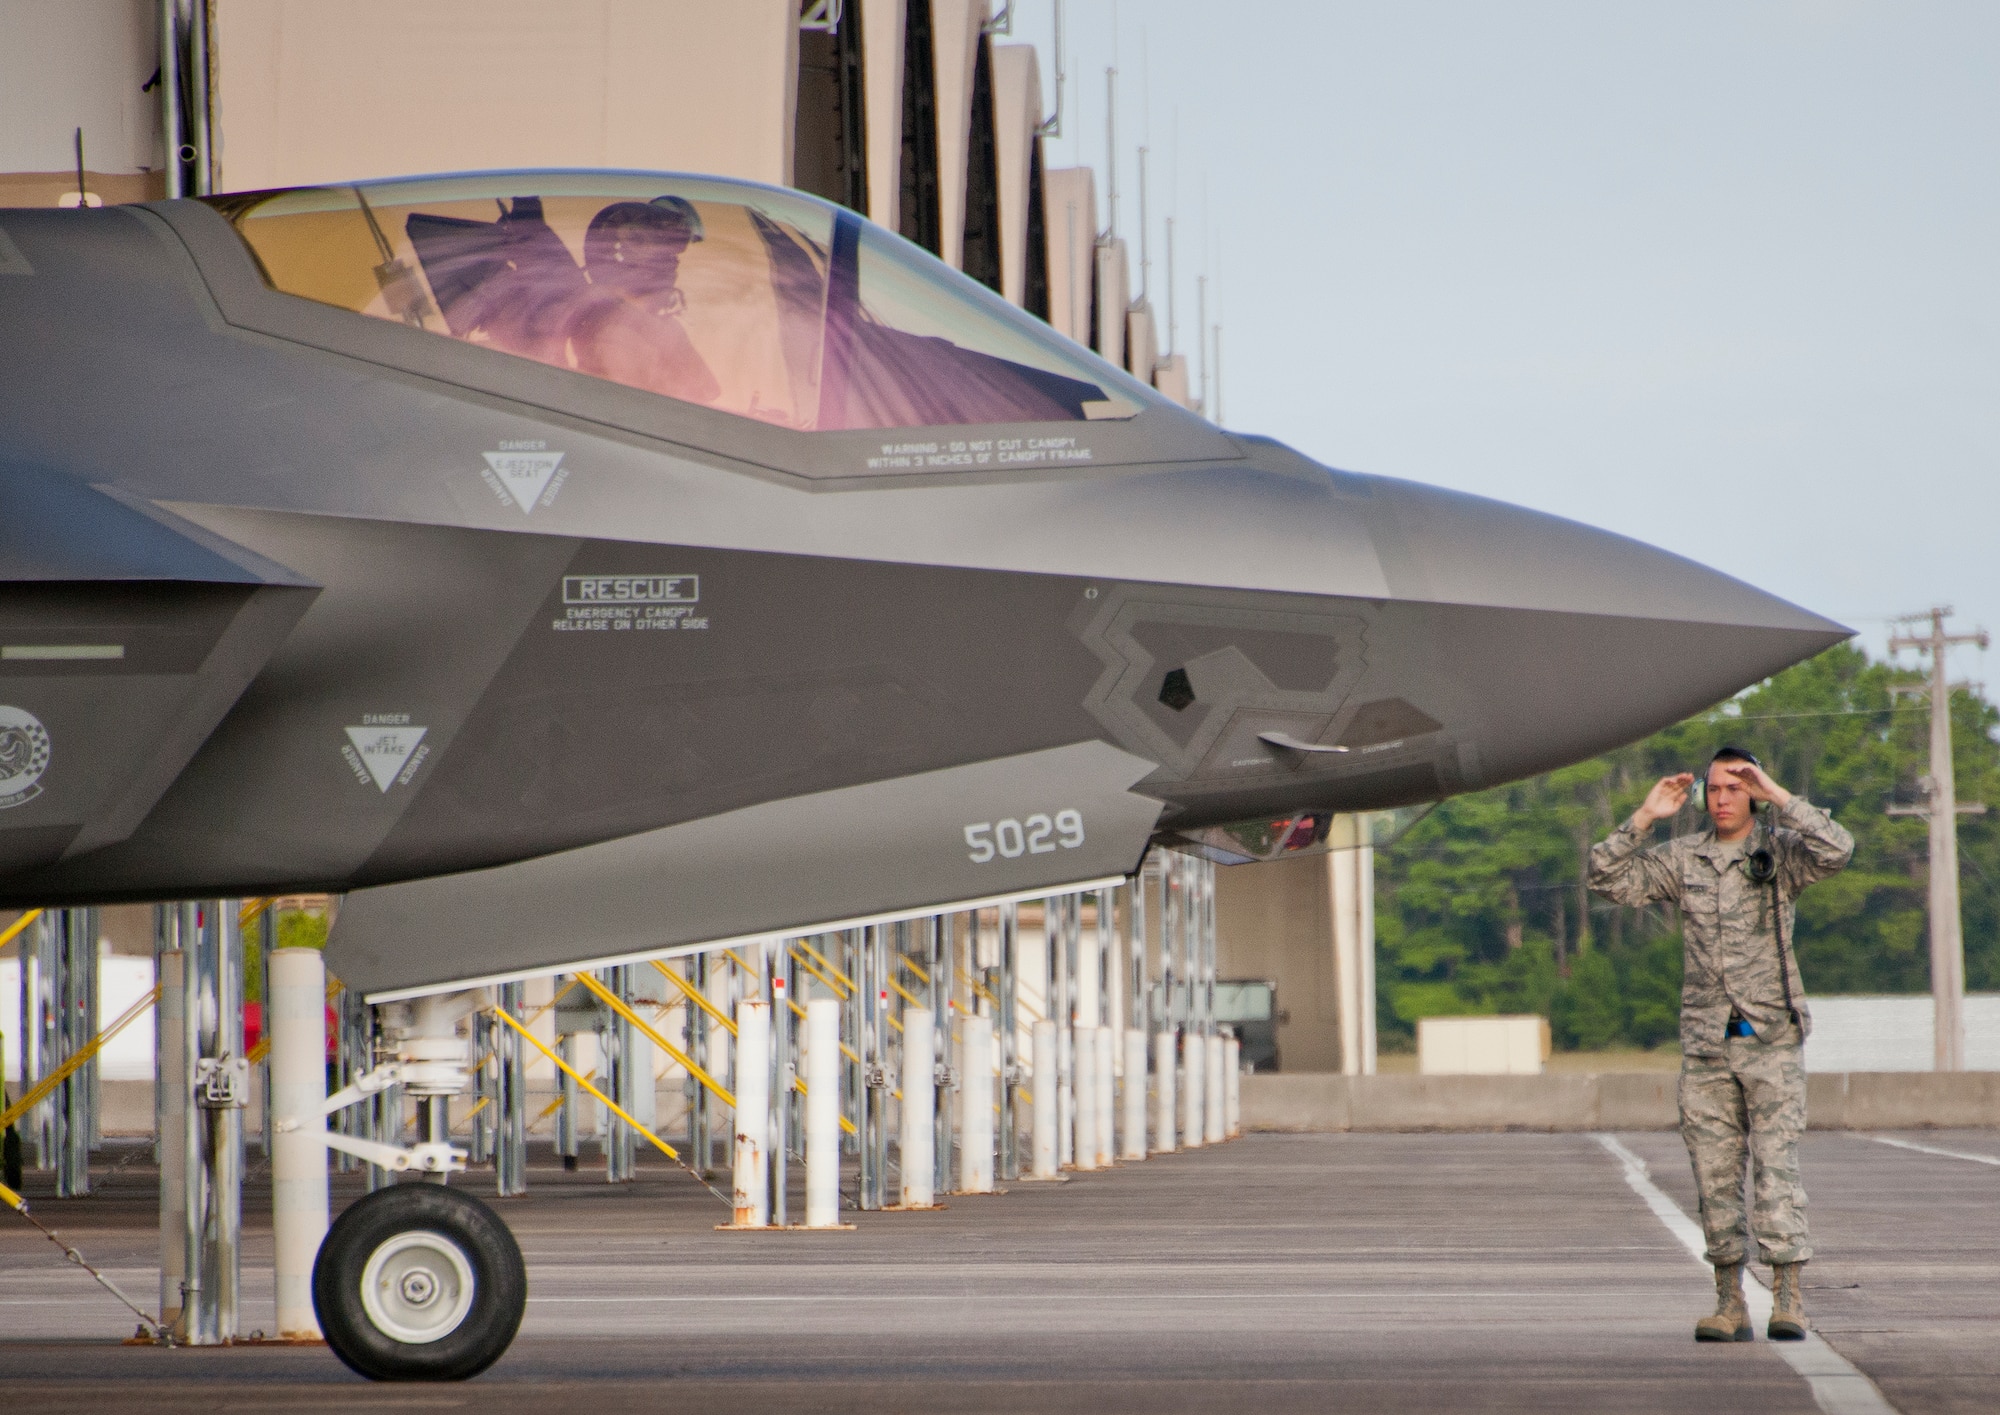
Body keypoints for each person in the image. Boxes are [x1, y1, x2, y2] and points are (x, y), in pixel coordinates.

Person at [1589, 747, 1853, 1343]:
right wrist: (1646, 816)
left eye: (1737, 787)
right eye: (1715, 789)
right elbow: (1605, 878)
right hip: (1708, 1043)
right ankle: (1729, 1301)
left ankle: (1788, 1298)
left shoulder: (1780, 853)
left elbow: (1839, 848)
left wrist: (1781, 796)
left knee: (1777, 1172)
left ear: (1753, 793)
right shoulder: (1685, 859)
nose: (1724, 798)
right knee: (1713, 1175)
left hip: (1771, 1037)